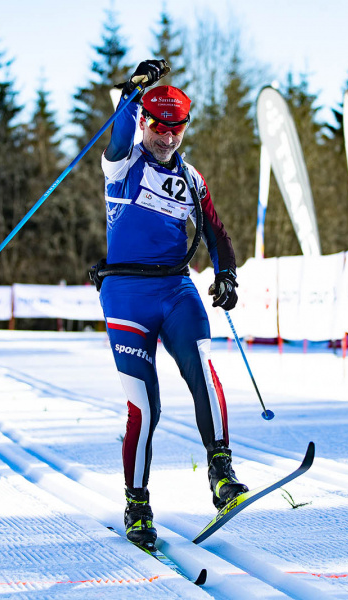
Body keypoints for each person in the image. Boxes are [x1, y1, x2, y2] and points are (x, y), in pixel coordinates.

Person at [91, 59, 247, 550]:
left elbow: (218, 233)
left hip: (176, 289)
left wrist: (227, 273)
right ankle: (137, 505)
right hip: (127, 297)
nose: (166, 138)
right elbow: (118, 132)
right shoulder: (124, 162)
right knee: (146, 406)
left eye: (175, 128)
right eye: (158, 127)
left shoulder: (192, 179)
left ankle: (221, 474)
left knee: (202, 369)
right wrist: (133, 92)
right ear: (145, 123)